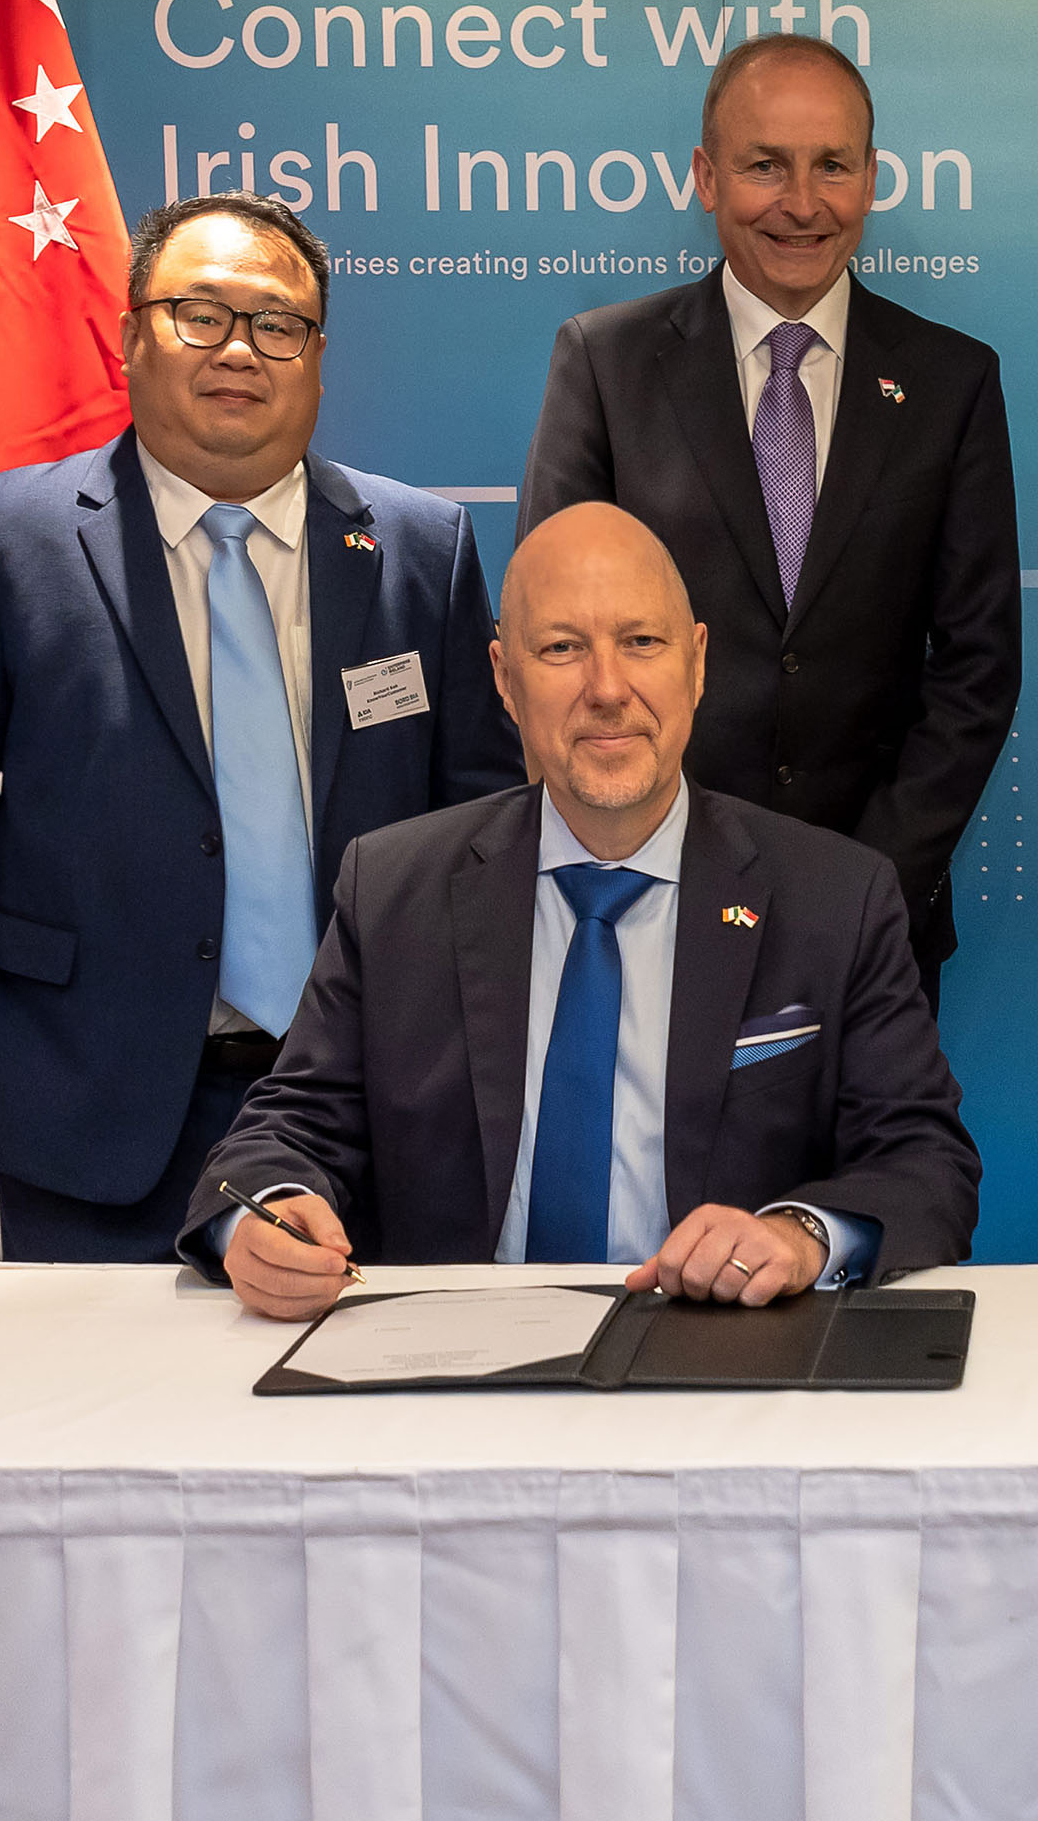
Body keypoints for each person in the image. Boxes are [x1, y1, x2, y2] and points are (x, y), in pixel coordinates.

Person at [0, 193, 522, 1262]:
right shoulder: (10, 542)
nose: (240, 350)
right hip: (96, 1096)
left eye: (277, 324)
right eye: (200, 314)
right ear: (132, 336)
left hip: (368, 1101)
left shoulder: (422, 549)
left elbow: (481, 823)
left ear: (317, 358)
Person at [186, 503, 981, 1320]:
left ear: (697, 663)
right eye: (562, 648)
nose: (607, 689)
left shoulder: (836, 898)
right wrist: (265, 1216)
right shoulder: (391, 891)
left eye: (642, 642)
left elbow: (925, 1162)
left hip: (724, 1351)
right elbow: (285, 1133)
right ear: (504, 678)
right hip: (454, 1356)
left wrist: (799, 1235)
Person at [519, 35, 1021, 989]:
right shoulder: (607, 365)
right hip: (646, 906)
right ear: (707, 177)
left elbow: (977, 671)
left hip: (876, 927)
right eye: (764, 166)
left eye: (832, 165)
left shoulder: (952, 382)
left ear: (871, 178)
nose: (801, 202)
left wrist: (863, 888)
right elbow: (557, 643)